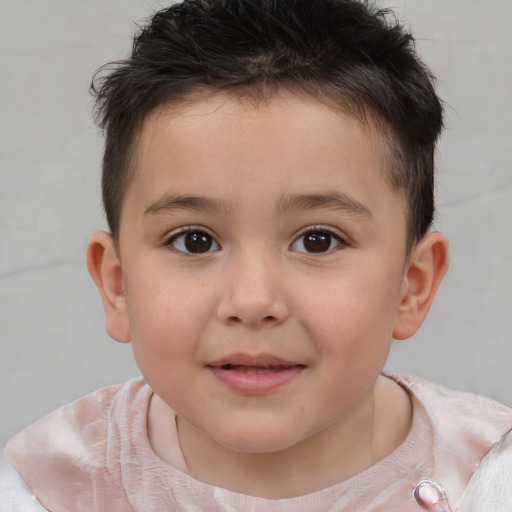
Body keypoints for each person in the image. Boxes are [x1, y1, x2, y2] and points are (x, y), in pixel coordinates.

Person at [1, 0, 511, 510]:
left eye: (318, 240)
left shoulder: (488, 480)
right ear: (117, 285)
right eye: (194, 240)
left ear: (412, 285)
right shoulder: (46, 490)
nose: (252, 300)